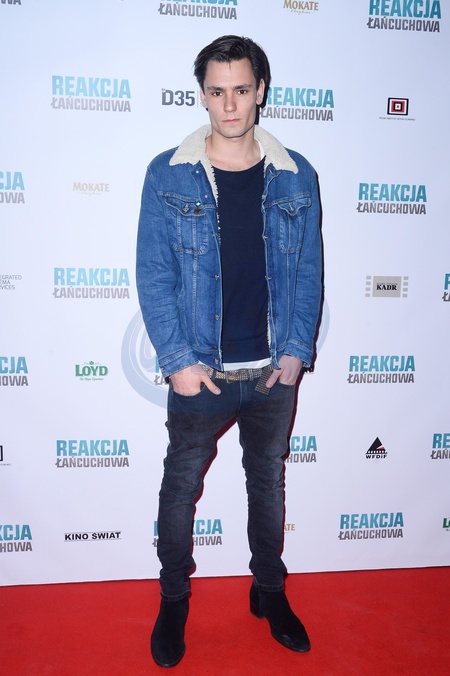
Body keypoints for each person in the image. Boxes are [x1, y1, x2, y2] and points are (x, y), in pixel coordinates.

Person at [136, 35, 322, 668]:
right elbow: (153, 273)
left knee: (267, 484)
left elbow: (309, 272)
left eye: (242, 90)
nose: (230, 105)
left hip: (272, 371)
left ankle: (269, 591)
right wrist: (176, 360)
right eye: (217, 92)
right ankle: (173, 599)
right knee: (180, 486)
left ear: (260, 90)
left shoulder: (296, 174)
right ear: (202, 94)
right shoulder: (167, 173)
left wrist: (295, 350)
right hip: (202, 371)